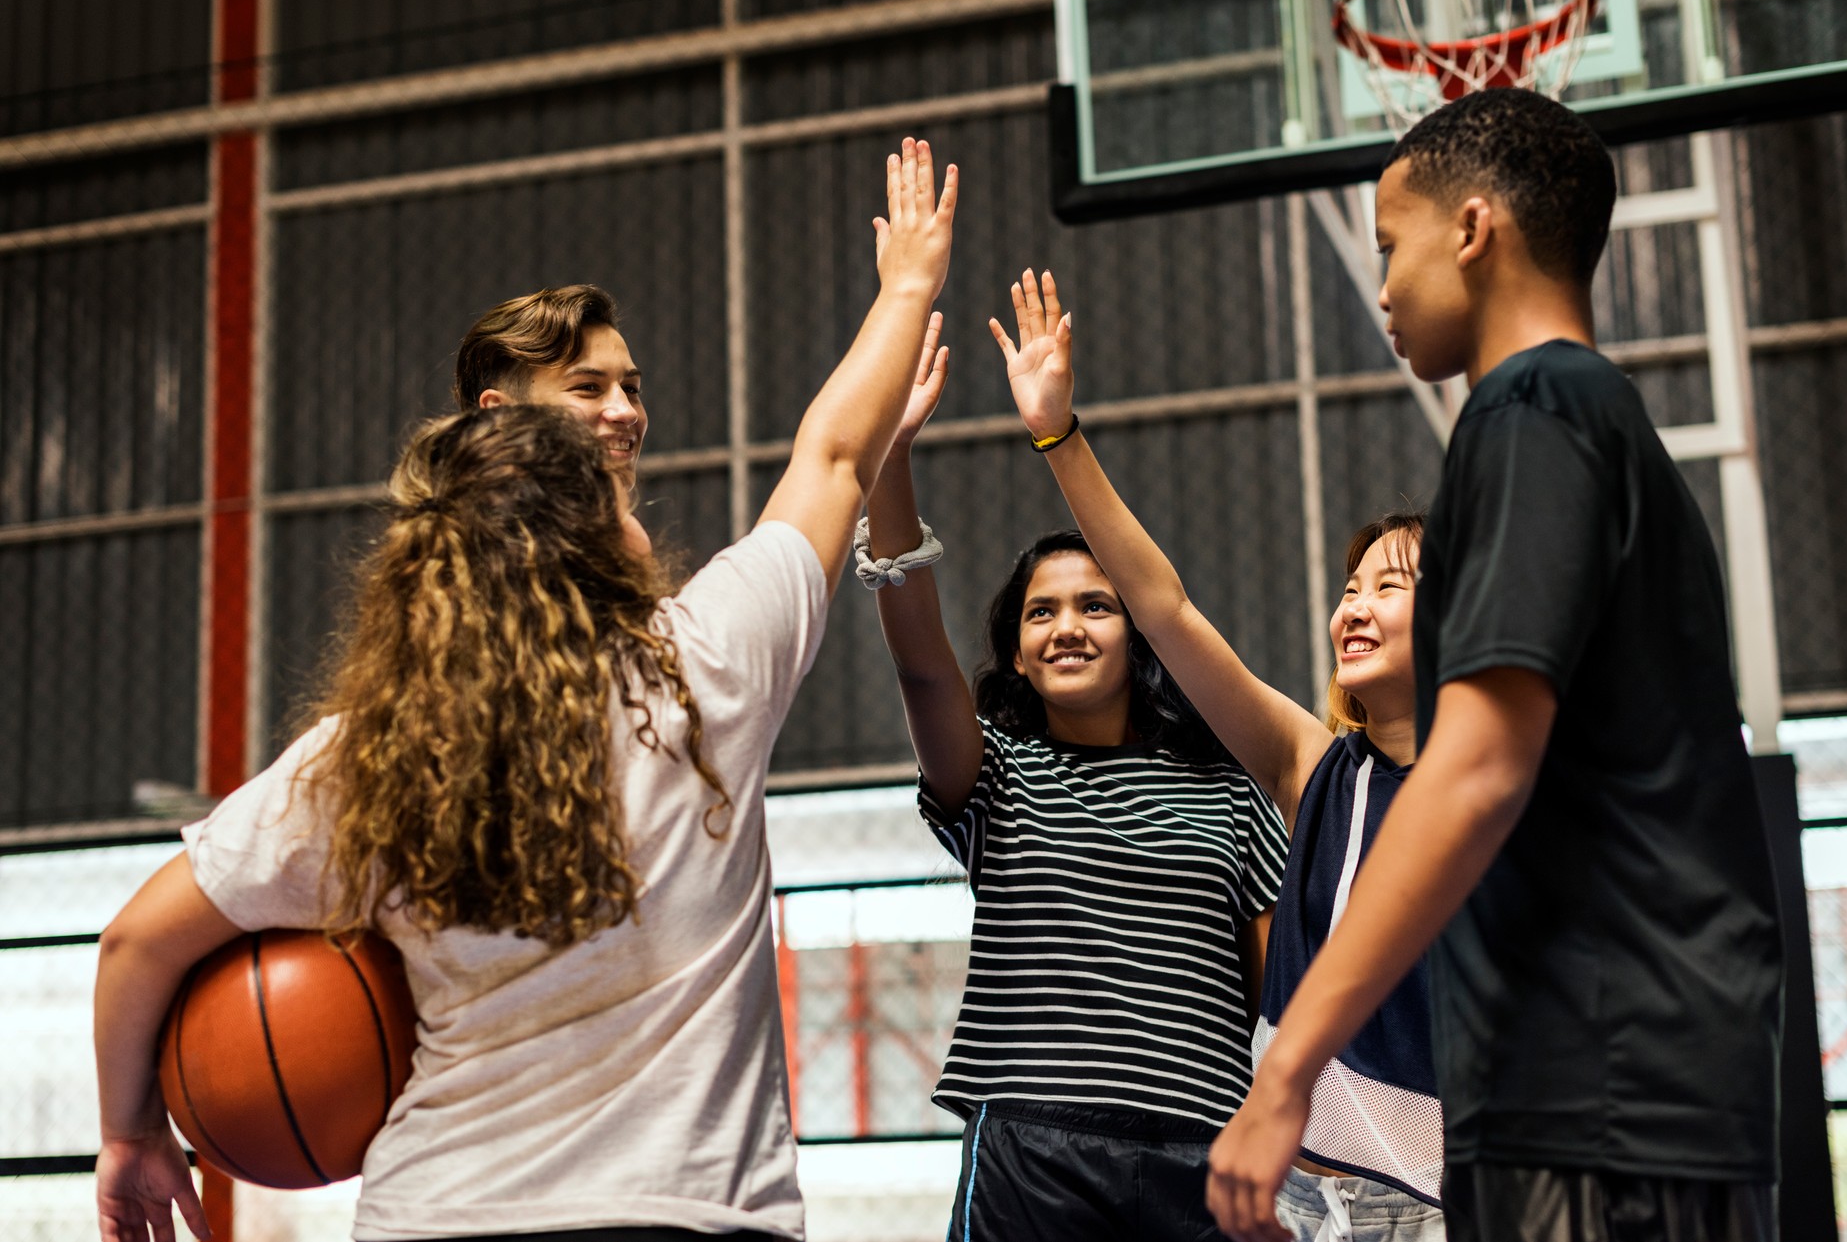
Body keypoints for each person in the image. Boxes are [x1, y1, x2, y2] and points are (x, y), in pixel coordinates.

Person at [93, 136, 959, 1242]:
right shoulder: (705, 669)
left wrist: (130, 1136)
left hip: (434, 1213)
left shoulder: (374, 749)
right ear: (601, 540)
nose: (623, 423)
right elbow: (832, 458)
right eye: (589, 396)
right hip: (678, 1212)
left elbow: (135, 945)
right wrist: (908, 289)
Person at [1205, 90, 1782, 1242]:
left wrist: (1286, 1072)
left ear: (1473, 230)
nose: (1378, 287)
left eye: (1389, 246)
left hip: (1599, 1079)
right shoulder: (1598, 426)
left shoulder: (1532, 410)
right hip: (1630, 1078)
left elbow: (1476, 768)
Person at [994, 268, 1445, 1241]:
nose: (1355, 607)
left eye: (1393, 586)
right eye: (1351, 586)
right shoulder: (1314, 768)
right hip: (1295, 1177)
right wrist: (1057, 434)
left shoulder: (1494, 794)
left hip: (1443, 1181)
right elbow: (1165, 606)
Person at [864, 299, 1289, 1241]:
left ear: (1136, 635)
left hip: (1206, 1152)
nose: (1067, 626)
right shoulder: (997, 776)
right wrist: (889, 456)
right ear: (1016, 652)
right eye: (1041, 612)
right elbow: (920, 655)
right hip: (1032, 1151)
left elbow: (1284, 993)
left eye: (1096, 605)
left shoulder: (1228, 790)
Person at [452, 283, 650, 551]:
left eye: (630, 389)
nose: (626, 412)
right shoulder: (457, 558)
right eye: (588, 387)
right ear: (500, 414)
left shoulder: (625, 545)